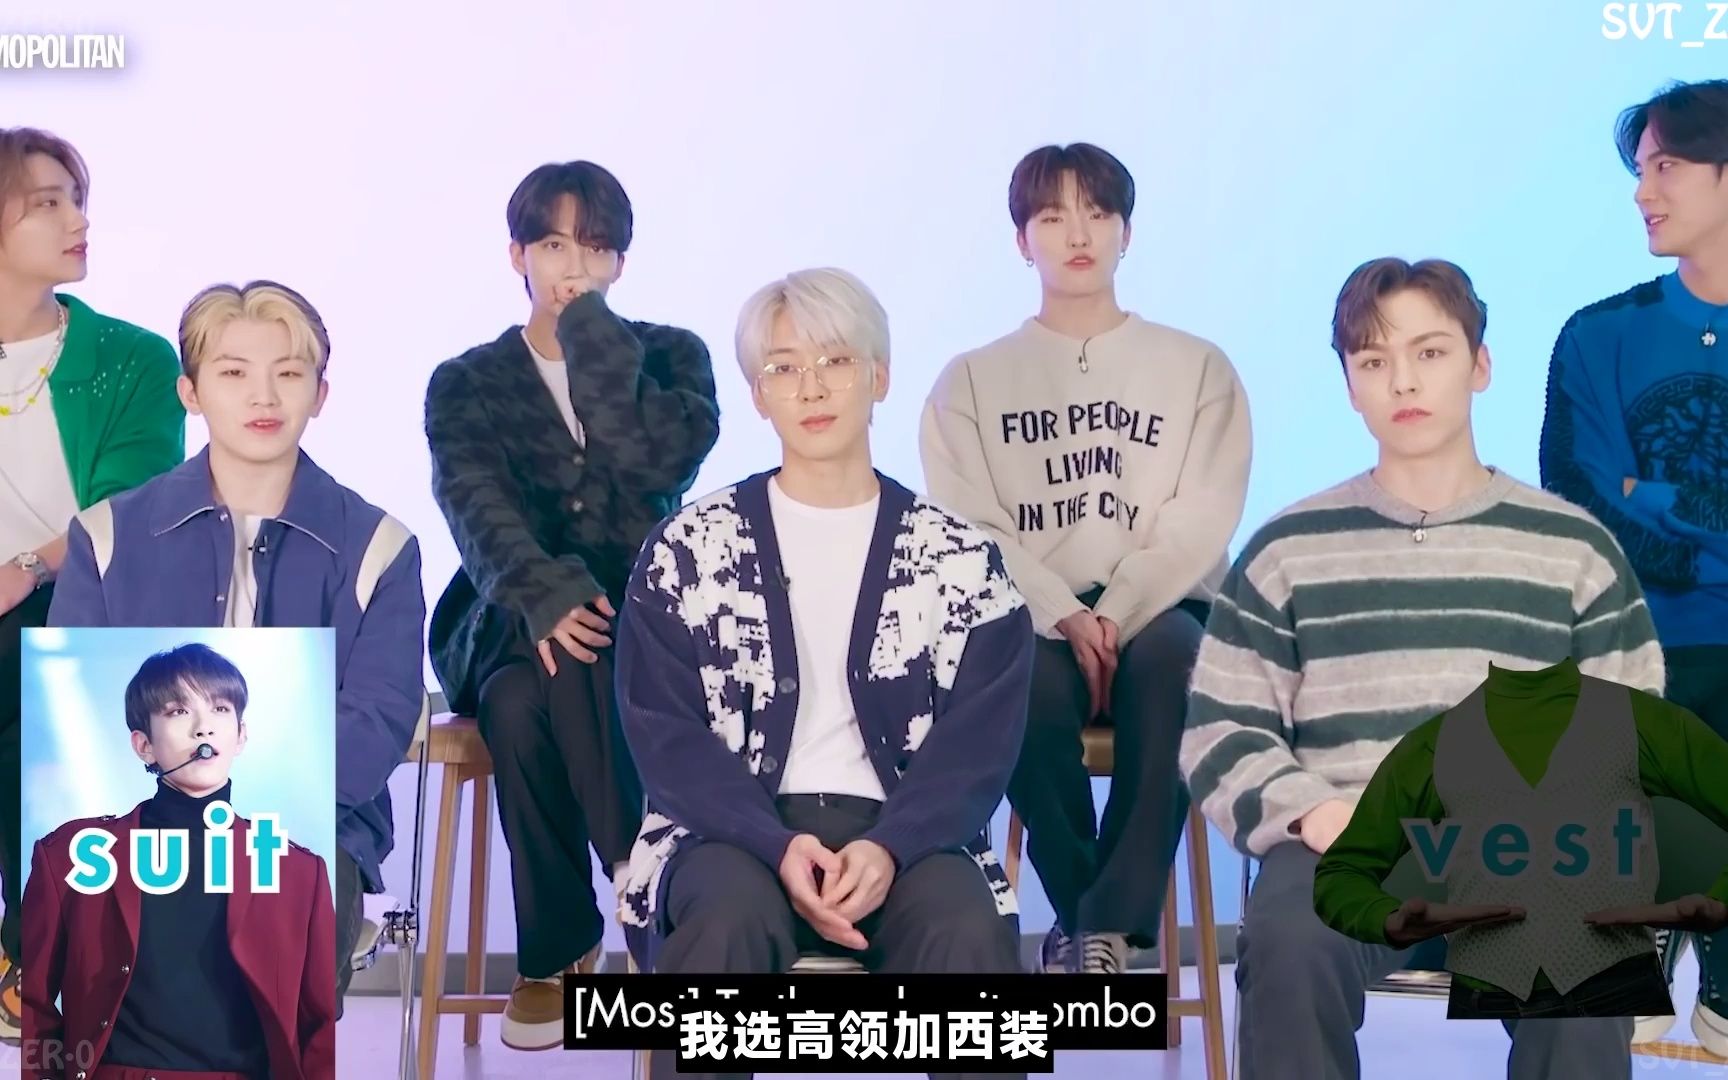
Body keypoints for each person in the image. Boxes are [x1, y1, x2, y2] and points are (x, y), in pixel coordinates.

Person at [1180, 257, 1666, 1079]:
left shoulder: (1572, 549)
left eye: (1430, 352)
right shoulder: (1288, 549)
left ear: (1480, 366)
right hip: (1347, 842)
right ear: (1350, 386)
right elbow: (1222, 728)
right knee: (1293, 939)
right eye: (1373, 361)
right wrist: (1312, 813)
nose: (1402, 380)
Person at [615, 267, 1033, 1080]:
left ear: (879, 377)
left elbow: (978, 745)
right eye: (783, 368)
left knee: (966, 941)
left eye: (836, 361)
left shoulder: (958, 559)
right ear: (757, 395)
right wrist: (774, 844)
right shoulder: (688, 550)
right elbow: (664, 737)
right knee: (723, 928)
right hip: (727, 836)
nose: (811, 388)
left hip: (909, 836)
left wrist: (892, 846)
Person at [48, 280, 425, 1020]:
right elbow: (78, 713)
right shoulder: (105, 536)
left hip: (310, 826)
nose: (264, 395)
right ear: (190, 392)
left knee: (283, 921)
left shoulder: (380, 546)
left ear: (320, 394)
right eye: (233, 372)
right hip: (132, 822)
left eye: (289, 372)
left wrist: (244, 818)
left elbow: (377, 720)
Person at [920, 143, 1251, 973]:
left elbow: (1202, 516)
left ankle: (1106, 928)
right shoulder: (969, 381)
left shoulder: (1197, 367)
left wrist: (1118, 611)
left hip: (1165, 604)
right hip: (1032, 609)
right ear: (1020, 239)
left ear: (1126, 233)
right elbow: (970, 525)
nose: (1078, 234)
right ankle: (1091, 916)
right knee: (1015, 685)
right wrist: (1063, 612)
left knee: (1178, 668)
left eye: (1099, 214)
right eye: (1053, 216)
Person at [424, 159, 720, 1051]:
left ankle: (556, 949)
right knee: (557, 639)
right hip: (507, 613)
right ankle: (644, 881)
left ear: (620, 262)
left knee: (522, 703)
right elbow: (474, 505)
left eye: (593, 249)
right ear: (517, 254)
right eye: (553, 245)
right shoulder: (466, 380)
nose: (573, 267)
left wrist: (590, 333)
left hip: (644, 626)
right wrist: (545, 594)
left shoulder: (671, 357)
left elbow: (654, 463)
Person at [1537, 77, 1728, 1054]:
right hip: (1640, 639)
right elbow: (1584, 500)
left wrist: (1657, 494)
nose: (1642, 191)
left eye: (1667, 167)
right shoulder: (1597, 335)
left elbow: (1632, 492)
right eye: (1641, 169)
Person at [0, 126, 184, 1043]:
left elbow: (127, 511)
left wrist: (22, 569)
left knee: (28, 675)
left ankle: (27, 958)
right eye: (48, 203)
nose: (78, 220)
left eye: (77, 199)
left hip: (71, 607)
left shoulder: (134, 358)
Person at [1314, 657, 1728, 1021]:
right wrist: (1385, 919)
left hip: (1609, 981)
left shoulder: (1643, 722)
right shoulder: (1431, 744)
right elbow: (1342, 871)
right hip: (1488, 984)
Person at [20, 642, 336, 1080]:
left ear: (241, 736)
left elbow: (319, 1026)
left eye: (220, 709)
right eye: (178, 711)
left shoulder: (299, 872)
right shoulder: (70, 857)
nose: (204, 728)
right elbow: (35, 1005)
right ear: (144, 745)